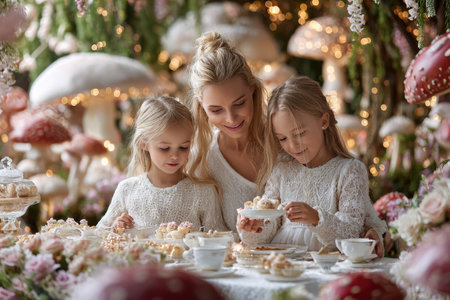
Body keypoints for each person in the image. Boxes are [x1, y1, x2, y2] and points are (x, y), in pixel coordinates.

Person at [188, 32, 385, 255]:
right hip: (257, 264)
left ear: (252, 92)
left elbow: (358, 214)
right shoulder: (200, 159)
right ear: (201, 107)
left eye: (239, 103)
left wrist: (377, 233)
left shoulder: (283, 131)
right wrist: (251, 229)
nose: (231, 119)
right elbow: (210, 234)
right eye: (216, 110)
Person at [238, 76, 387, 251]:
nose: (292, 146)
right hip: (284, 264)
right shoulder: (282, 169)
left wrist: (317, 218)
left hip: (327, 265)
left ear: (324, 121)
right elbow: (269, 225)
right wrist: (253, 228)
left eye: (300, 133)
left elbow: (351, 231)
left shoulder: (349, 170)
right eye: (283, 138)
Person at [98, 96, 225, 232]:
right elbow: (99, 233)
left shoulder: (203, 192)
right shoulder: (127, 190)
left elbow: (220, 239)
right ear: (144, 144)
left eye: (183, 147)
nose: (175, 156)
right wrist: (116, 228)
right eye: (164, 148)